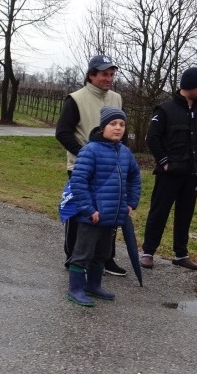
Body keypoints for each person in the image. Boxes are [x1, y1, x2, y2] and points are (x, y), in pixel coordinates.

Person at [55, 55, 129, 276]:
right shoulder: (75, 99)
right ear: (91, 75)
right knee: (81, 213)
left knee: (109, 214)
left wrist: (122, 158)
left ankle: (105, 258)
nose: (109, 78)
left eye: (111, 74)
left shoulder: (116, 98)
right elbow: (63, 133)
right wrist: (87, 156)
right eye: (104, 74)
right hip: (81, 167)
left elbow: (122, 132)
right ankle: (74, 258)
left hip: (110, 169)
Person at [140, 68, 197, 271]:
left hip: (193, 173)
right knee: (159, 212)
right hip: (169, 174)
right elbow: (152, 138)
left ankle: (181, 254)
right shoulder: (165, 110)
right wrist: (164, 161)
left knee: (185, 214)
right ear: (190, 85)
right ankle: (148, 252)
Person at [67, 107, 141, 307]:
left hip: (112, 216)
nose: (118, 128)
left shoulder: (125, 152)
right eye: (113, 124)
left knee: (102, 253)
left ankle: (94, 285)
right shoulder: (90, 151)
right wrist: (89, 209)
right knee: (83, 254)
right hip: (92, 216)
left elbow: (134, 177)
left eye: (122, 124)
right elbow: (78, 182)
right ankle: (75, 288)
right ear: (102, 127)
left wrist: (131, 203)